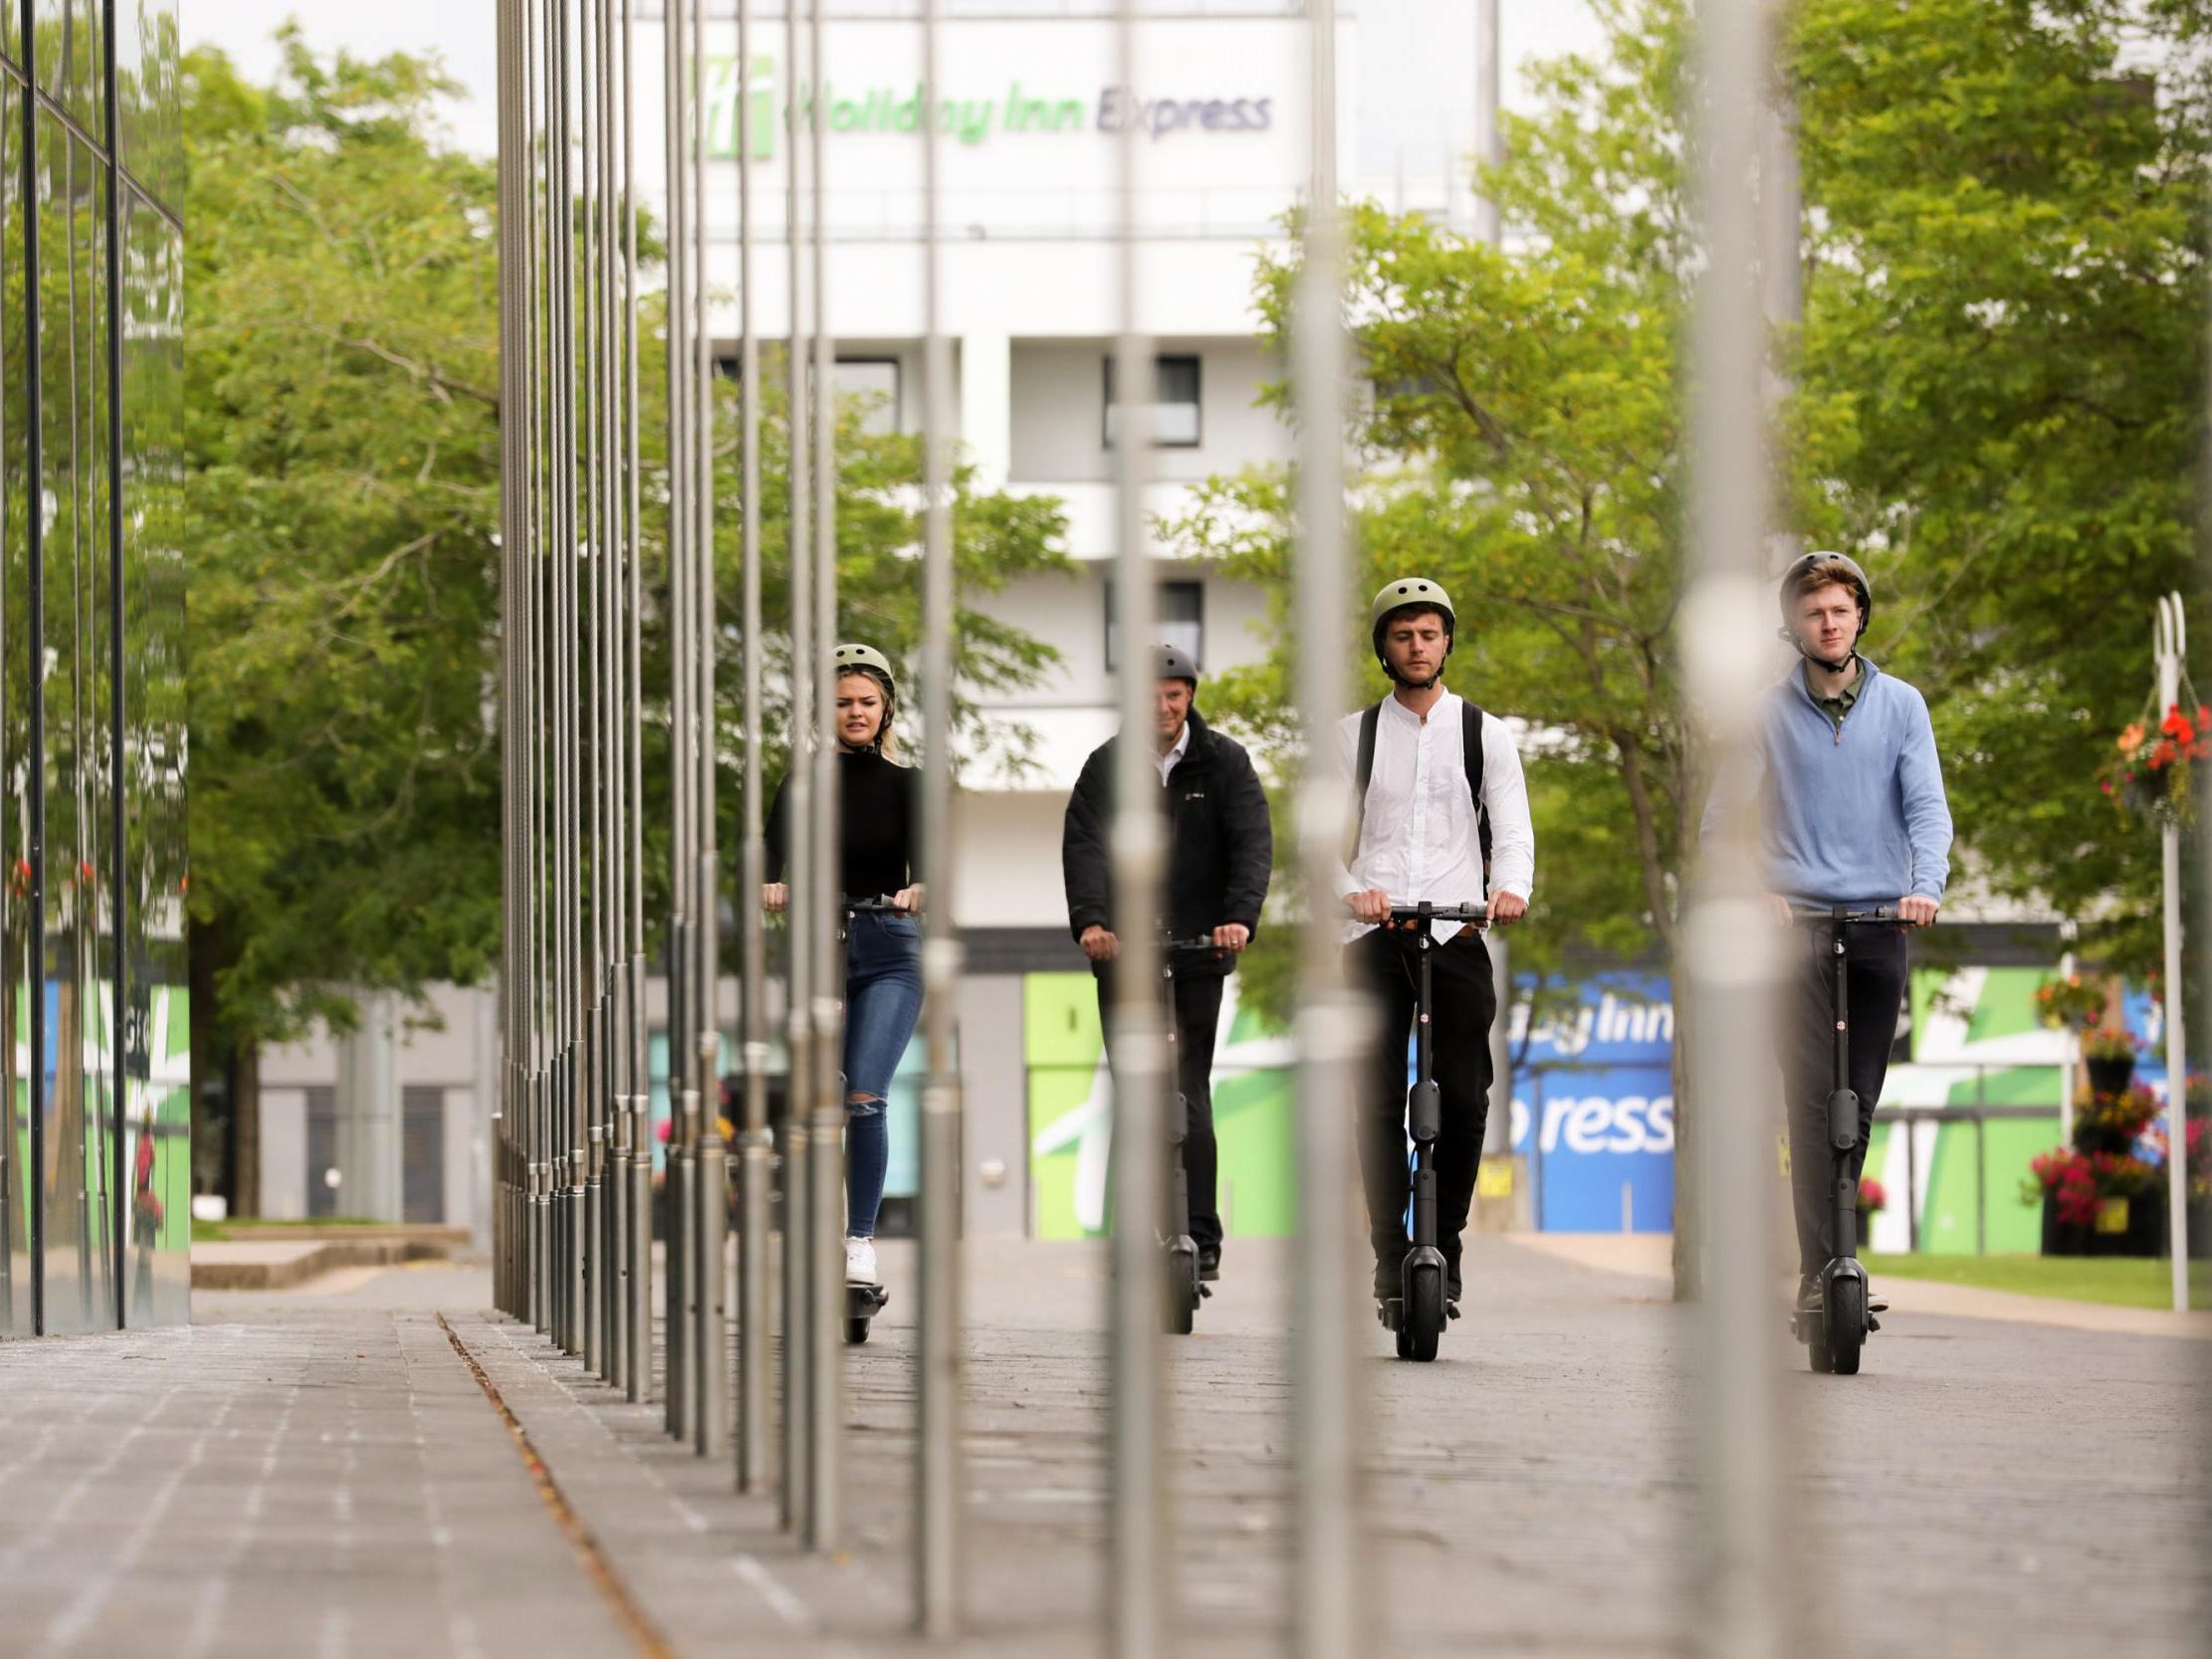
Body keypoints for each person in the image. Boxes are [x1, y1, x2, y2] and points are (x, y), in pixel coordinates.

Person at [1702, 551, 1951, 1314]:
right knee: (1812, 1100)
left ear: (1860, 616)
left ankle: (1838, 1253)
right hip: (1794, 927)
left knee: (1859, 1099)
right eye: (1814, 612)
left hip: (1882, 922)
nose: (1830, 621)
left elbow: (1927, 810)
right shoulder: (1761, 715)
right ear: (1794, 627)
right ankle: (1824, 1269)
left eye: (1841, 609)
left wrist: (1925, 887)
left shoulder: (1903, 705)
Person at [1336, 577, 1533, 1315]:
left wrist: (1510, 887)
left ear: (1448, 641)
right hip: (1373, 932)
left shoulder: (1486, 732)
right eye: (1402, 635)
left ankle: (1443, 1247)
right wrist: (1346, 885)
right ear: (1383, 647)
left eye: (1429, 633)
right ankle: (1392, 1256)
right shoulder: (1350, 735)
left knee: (1468, 1097)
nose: (1416, 646)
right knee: (1376, 1100)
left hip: (1455, 929)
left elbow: (1511, 827)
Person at [1061, 643, 1272, 1282]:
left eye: (1174, 694)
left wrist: (1238, 918)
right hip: (1124, 957)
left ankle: (1201, 1237)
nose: (1162, 705)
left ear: (1190, 696)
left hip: (1201, 951)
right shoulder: (1106, 768)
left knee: (1188, 1091)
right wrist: (1093, 923)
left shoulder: (1225, 762)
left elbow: (1252, 843)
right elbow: (1084, 846)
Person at [764, 643, 925, 1291]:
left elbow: (931, 859)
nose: (854, 711)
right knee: (814, 1096)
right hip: (818, 951)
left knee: (864, 1094)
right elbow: (770, 853)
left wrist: (923, 888)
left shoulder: (908, 785)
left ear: (885, 708)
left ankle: (859, 1240)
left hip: (889, 951)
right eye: (841, 702)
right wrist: (770, 884)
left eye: (865, 701)